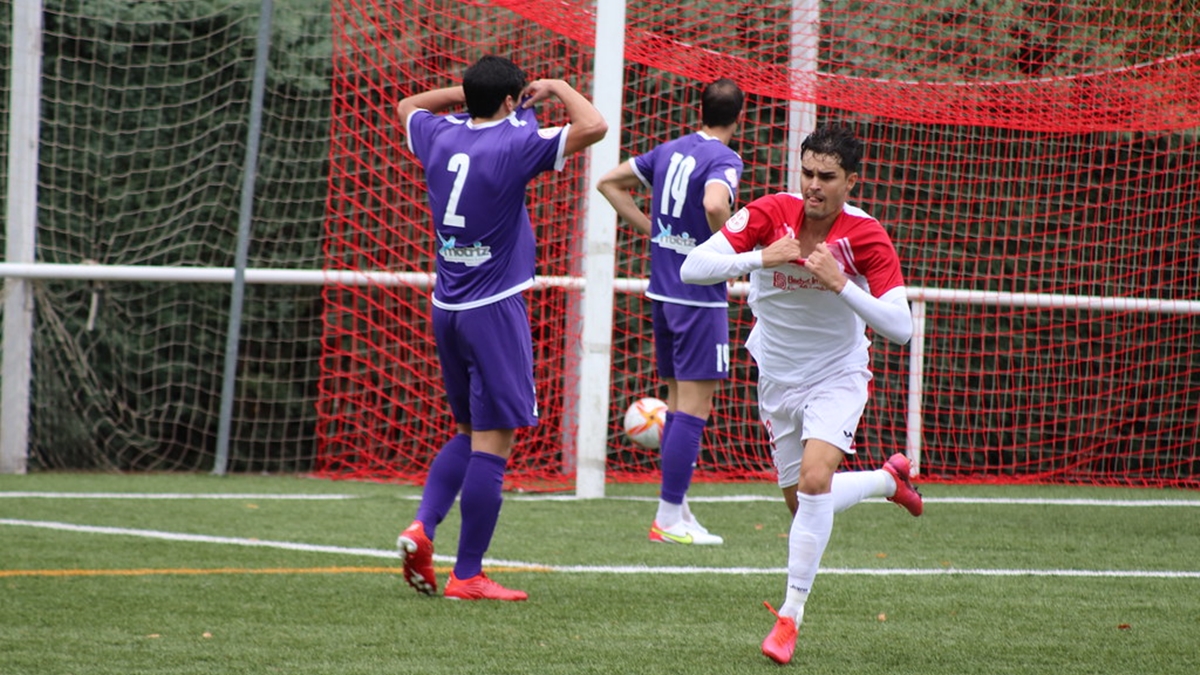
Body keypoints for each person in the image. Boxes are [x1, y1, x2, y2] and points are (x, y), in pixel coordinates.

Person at [679, 123, 923, 663]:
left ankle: (789, 618)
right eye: (807, 173)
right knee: (802, 504)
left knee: (815, 482)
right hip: (776, 378)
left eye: (827, 177)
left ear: (850, 182)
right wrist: (758, 259)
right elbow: (692, 266)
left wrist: (841, 283)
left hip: (837, 374)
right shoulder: (768, 213)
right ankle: (888, 479)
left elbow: (900, 328)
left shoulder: (865, 236)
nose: (813, 185)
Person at [393, 55, 607, 601]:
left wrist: (467, 96)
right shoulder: (515, 144)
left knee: (467, 432)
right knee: (495, 441)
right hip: (495, 308)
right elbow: (595, 126)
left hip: (447, 306)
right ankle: (468, 575)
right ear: (513, 100)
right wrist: (556, 85)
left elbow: (408, 105)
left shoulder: (437, 135)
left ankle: (422, 525)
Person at [596, 79, 745, 546]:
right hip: (699, 299)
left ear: (700, 110)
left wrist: (655, 232)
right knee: (694, 408)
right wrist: (728, 253)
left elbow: (608, 183)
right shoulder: (724, 158)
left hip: (662, 292)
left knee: (679, 403)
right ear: (739, 118)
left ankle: (678, 509)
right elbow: (715, 203)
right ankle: (667, 518)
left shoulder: (670, 150)